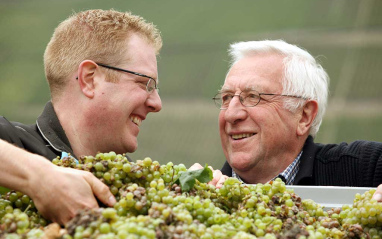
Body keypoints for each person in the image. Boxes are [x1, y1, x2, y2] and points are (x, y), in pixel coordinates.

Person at [0, 9, 162, 224]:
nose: (157, 103)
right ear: (89, 79)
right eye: (145, 84)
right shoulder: (13, 142)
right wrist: (39, 176)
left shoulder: (135, 183)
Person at [191, 39, 382, 200]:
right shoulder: (200, 193)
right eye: (226, 97)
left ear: (304, 116)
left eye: (253, 97)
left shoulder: (365, 169)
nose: (231, 114)